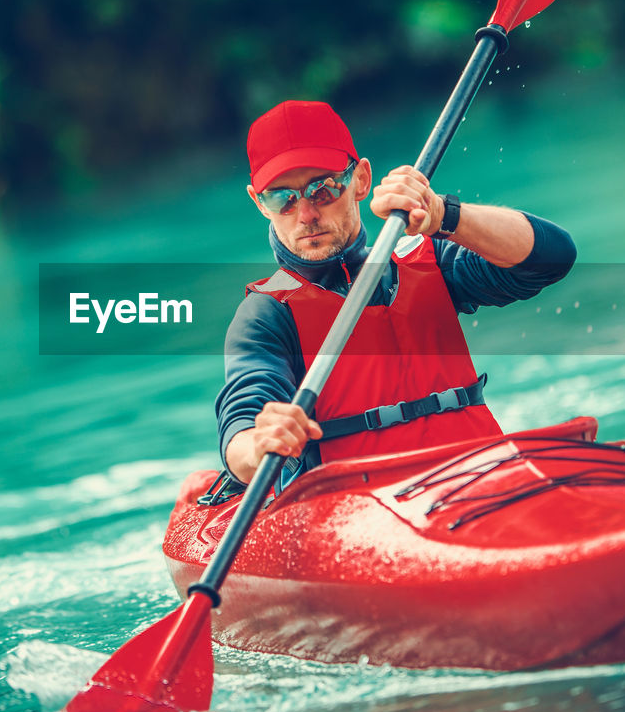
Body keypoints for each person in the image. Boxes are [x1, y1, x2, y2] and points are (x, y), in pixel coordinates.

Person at [216, 99, 576, 488]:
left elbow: (552, 257)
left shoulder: (429, 260)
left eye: (322, 189)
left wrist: (444, 215)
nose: (305, 214)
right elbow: (240, 431)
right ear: (259, 203)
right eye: (281, 198)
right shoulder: (267, 314)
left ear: (361, 180)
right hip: (361, 514)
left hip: (482, 482)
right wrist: (258, 446)